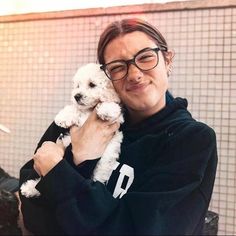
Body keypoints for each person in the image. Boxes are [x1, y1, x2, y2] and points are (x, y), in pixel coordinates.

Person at [19, 18, 218, 235]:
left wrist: (63, 168)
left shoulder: (191, 140)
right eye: (117, 67)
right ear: (106, 76)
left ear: (168, 60)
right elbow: (31, 211)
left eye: (145, 57)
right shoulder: (76, 119)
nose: (134, 74)